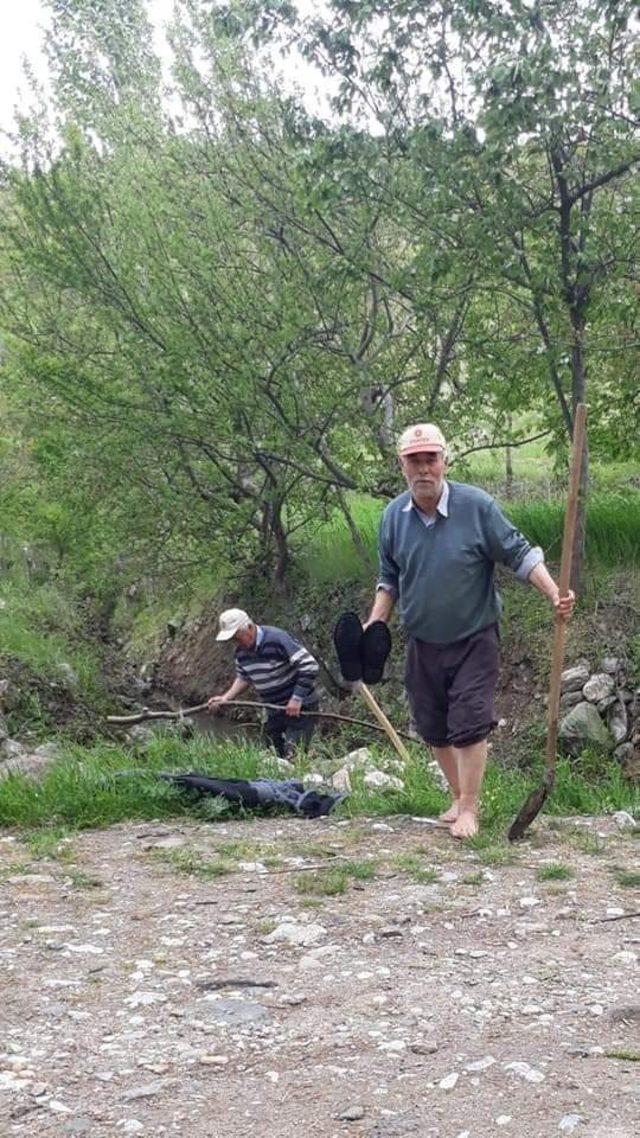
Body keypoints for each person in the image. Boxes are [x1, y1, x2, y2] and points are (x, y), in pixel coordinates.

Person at [365, 423, 575, 839]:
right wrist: (374, 626)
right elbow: (389, 578)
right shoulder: (393, 517)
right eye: (414, 460)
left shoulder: (476, 506)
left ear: (444, 461)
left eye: (431, 459)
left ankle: (470, 809)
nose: (423, 468)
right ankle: (460, 796)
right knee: (432, 725)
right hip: (422, 640)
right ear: (402, 466)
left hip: (474, 636)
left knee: (469, 720)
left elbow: (518, 552)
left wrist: (554, 594)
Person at [207, 608, 320, 760]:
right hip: (274, 710)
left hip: (300, 708)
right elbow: (244, 677)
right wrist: (226, 698)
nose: (235, 642)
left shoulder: (277, 639)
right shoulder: (240, 652)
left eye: (236, 637)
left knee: (293, 754)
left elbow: (309, 665)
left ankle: (299, 780)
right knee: (271, 756)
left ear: (249, 628)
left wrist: (297, 698)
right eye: (232, 639)